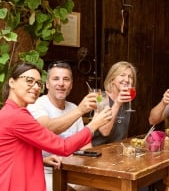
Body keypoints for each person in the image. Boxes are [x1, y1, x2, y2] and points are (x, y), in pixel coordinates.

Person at [0, 62, 112, 191]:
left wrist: (41, 160)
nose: (35, 87)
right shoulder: (17, 116)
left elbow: (12, 152)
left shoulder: (10, 112)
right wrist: (93, 125)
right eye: (29, 81)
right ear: (12, 82)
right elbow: (63, 147)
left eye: (38, 83)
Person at [27, 61, 96, 191]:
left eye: (66, 79)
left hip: (72, 171)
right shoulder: (36, 105)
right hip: (44, 172)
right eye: (56, 79)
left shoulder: (73, 107)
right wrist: (82, 112)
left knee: (97, 186)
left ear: (71, 85)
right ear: (47, 84)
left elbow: (86, 146)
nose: (61, 84)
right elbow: (47, 129)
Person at [92, 61, 137, 146]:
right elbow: (105, 132)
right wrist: (117, 103)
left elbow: (122, 134)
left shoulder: (127, 100)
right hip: (97, 151)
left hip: (117, 151)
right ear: (112, 79)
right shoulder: (101, 97)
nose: (127, 80)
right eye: (122, 75)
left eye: (130, 77)